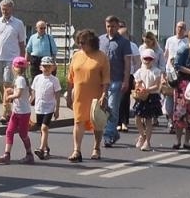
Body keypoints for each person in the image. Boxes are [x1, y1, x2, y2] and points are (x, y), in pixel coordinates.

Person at [66, 28, 108, 161]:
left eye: (83, 43)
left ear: (92, 42)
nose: (81, 45)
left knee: (96, 122)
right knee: (78, 121)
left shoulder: (101, 56)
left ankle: (96, 148)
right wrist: (68, 94)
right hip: (79, 94)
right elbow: (70, 77)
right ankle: (76, 150)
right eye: (79, 42)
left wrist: (104, 95)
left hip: (96, 94)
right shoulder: (77, 55)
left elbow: (106, 78)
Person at [97, 16, 137, 147]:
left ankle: (108, 136)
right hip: (102, 81)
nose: (110, 29)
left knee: (113, 108)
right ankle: (114, 132)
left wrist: (126, 80)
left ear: (117, 27)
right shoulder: (100, 40)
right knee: (103, 108)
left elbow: (127, 62)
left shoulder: (124, 42)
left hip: (116, 80)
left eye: (113, 26)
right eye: (108, 26)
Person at [0, 55, 36, 164]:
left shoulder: (20, 79)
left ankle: (29, 154)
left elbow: (18, 94)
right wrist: (10, 90)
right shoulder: (21, 79)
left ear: (14, 68)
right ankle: (6, 154)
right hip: (17, 111)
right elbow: (23, 92)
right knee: (9, 131)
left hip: (23, 112)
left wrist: (9, 97)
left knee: (23, 134)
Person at [131, 48, 167, 150]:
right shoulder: (139, 72)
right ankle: (142, 136)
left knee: (148, 120)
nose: (147, 61)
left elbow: (156, 86)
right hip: (141, 96)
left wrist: (147, 89)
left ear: (153, 60)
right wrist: (139, 87)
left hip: (152, 96)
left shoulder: (156, 71)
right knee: (137, 118)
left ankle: (147, 142)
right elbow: (136, 84)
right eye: (145, 58)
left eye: (149, 59)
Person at [32, 55, 61, 159]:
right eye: (44, 66)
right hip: (39, 107)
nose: (46, 68)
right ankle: (46, 147)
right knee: (42, 129)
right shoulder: (37, 78)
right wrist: (30, 101)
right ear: (40, 67)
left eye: (49, 66)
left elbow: (57, 95)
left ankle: (41, 149)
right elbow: (34, 91)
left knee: (44, 127)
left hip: (49, 107)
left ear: (53, 67)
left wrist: (57, 109)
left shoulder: (54, 80)